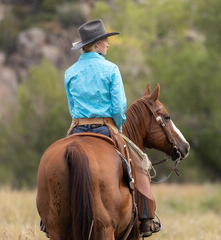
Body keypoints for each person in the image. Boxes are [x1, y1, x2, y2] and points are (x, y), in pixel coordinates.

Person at [64, 19, 160, 237]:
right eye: (105, 41)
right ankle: (146, 218)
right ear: (96, 44)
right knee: (138, 166)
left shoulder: (69, 72)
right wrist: (118, 125)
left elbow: (72, 106)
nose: (108, 44)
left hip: (77, 129)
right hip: (105, 129)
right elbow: (118, 107)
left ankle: (46, 220)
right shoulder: (111, 69)